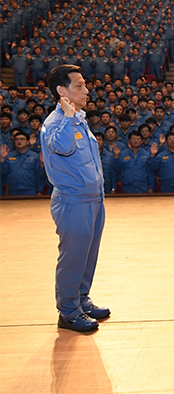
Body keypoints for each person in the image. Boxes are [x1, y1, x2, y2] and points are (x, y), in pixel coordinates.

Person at [41, 64, 110, 332]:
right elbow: (63, 146)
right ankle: (69, 312)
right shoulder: (56, 123)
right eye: (79, 85)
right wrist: (69, 118)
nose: (86, 89)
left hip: (93, 200)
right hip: (73, 202)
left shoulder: (78, 119)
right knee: (73, 257)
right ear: (62, 91)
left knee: (87, 256)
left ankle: (81, 300)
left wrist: (73, 117)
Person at [0, 130, 45, 195]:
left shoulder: (35, 156)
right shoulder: (8, 156)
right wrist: (2, 160)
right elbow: (4, 172)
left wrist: (40, 191)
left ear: (27, 142)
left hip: (30, 189)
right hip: (13, 190)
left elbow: (39, 175)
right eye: (16, 139)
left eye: (22, 139)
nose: (19, 141)